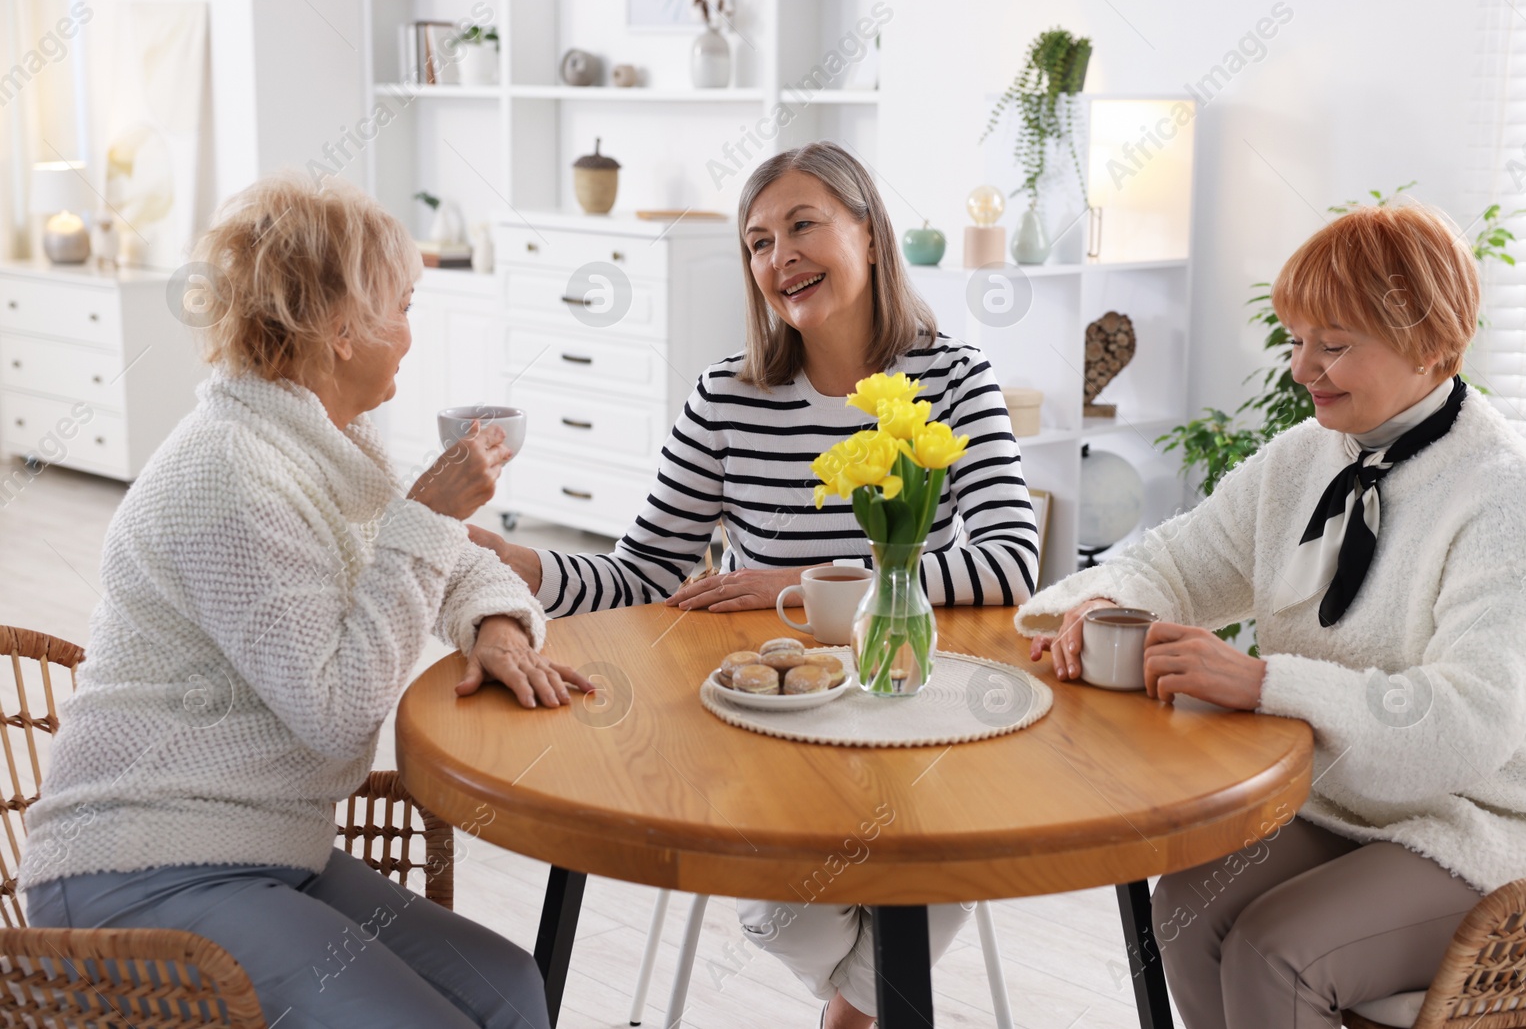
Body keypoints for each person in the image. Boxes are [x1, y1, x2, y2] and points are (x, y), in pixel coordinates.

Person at [473, 140, 1040, 1029]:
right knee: (783, 908)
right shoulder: (725, 397)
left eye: (803, 225)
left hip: (905, 703)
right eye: (758, 242)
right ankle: (873, 1003)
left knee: (952, 842)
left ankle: (849, 1015)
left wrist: (805, 585)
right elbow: (647, 572)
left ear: (869, 232)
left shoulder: (953, 379)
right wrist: (531, 568)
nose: (780, 258)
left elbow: (1011, 559)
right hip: (763, 719)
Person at [19, 172, 591, 1029]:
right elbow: (336, 708)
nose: (408, 333)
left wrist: (498, 625)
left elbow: (454, 560)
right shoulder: (233, 473)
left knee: (513, 987)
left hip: (264, 844)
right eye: (400, 305)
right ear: (342, 327)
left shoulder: (321, 441)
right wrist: (427, 516)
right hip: (141, 865)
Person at [1015, 201, 1526, 1028]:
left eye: (1333, 346)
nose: (1302, 369)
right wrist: (1103, 603)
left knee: (1278, 949)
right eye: (1296, 340)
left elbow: (1468, 723)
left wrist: (1261, 683)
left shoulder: (1508, 490)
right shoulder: (1304, 457)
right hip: (1357, 799)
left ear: (1433, 342)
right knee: (1183, 907)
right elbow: (1176, 562)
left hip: (1501, 818)